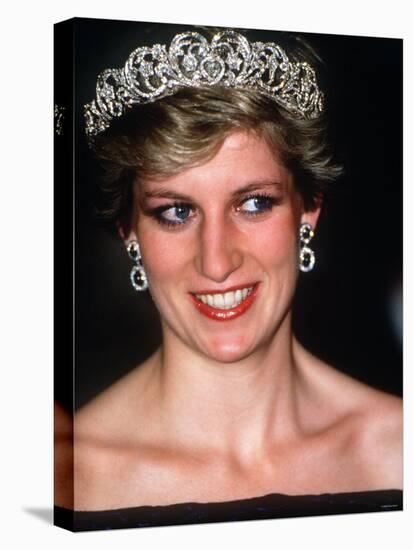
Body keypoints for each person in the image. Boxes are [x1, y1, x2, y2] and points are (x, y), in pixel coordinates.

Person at [58, 27, 402, 529]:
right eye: (176, 211)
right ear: (128, 229)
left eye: (254, 203)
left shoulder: (396, 449)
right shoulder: (68, 477)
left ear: (308, 211)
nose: (216, 263)